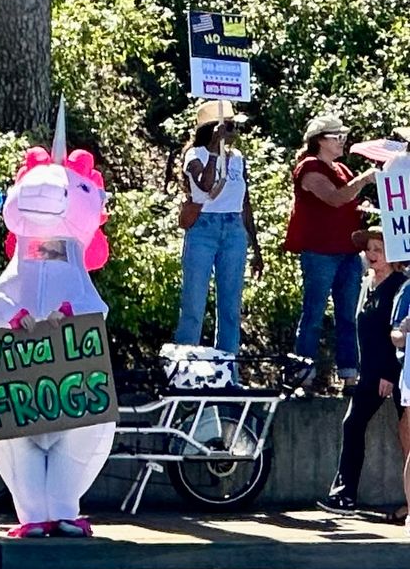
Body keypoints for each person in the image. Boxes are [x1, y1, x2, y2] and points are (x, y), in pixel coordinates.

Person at [284, 115, 378, 392]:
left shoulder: (340, 169)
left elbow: (348, 200)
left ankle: (349, 375)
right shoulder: (309, 168)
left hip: (348, 252)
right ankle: (304, 374)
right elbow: (335, 198)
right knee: (313, 314)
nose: (342, 141)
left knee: (348, 315)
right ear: (320, 140)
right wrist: (364, 180)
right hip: (320, 252)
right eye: (336, 136)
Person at [317, 227, 407, 514]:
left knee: (405, 431)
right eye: (369, 249)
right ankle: (344, 495)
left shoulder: (399, 287)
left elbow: (395, 334)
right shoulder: (366, 284)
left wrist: (389, 375)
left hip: (392, 372)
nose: (371, 255)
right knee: (353, 425)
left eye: (378, 249)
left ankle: (348, 495)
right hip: (369, 370)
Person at [173, 101, 263, 357]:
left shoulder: (237, 158)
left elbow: (245, 202)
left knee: (231, 306)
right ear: (213, 129)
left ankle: (227, 369)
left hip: (234, 229)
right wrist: (214, 150)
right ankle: (184, 368)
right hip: (204, 228)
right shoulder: (195, 155)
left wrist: (255, 246)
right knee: (194, 302)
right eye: (230, 126)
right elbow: (204, 186)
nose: (234, 132)